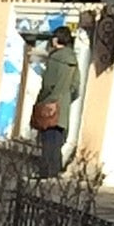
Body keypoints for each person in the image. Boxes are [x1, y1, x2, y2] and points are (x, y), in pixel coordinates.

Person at [33, 26, 80, 178]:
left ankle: (46, 171)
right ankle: (55, 169)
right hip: (63, 105)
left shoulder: (55, 58)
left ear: (56, 39)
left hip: (50, 104)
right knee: (57, 139)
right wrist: (65, 99)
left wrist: (41, 100)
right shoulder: (73, 60)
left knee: (47, 139)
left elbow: (48, 84)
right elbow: (76, 85)